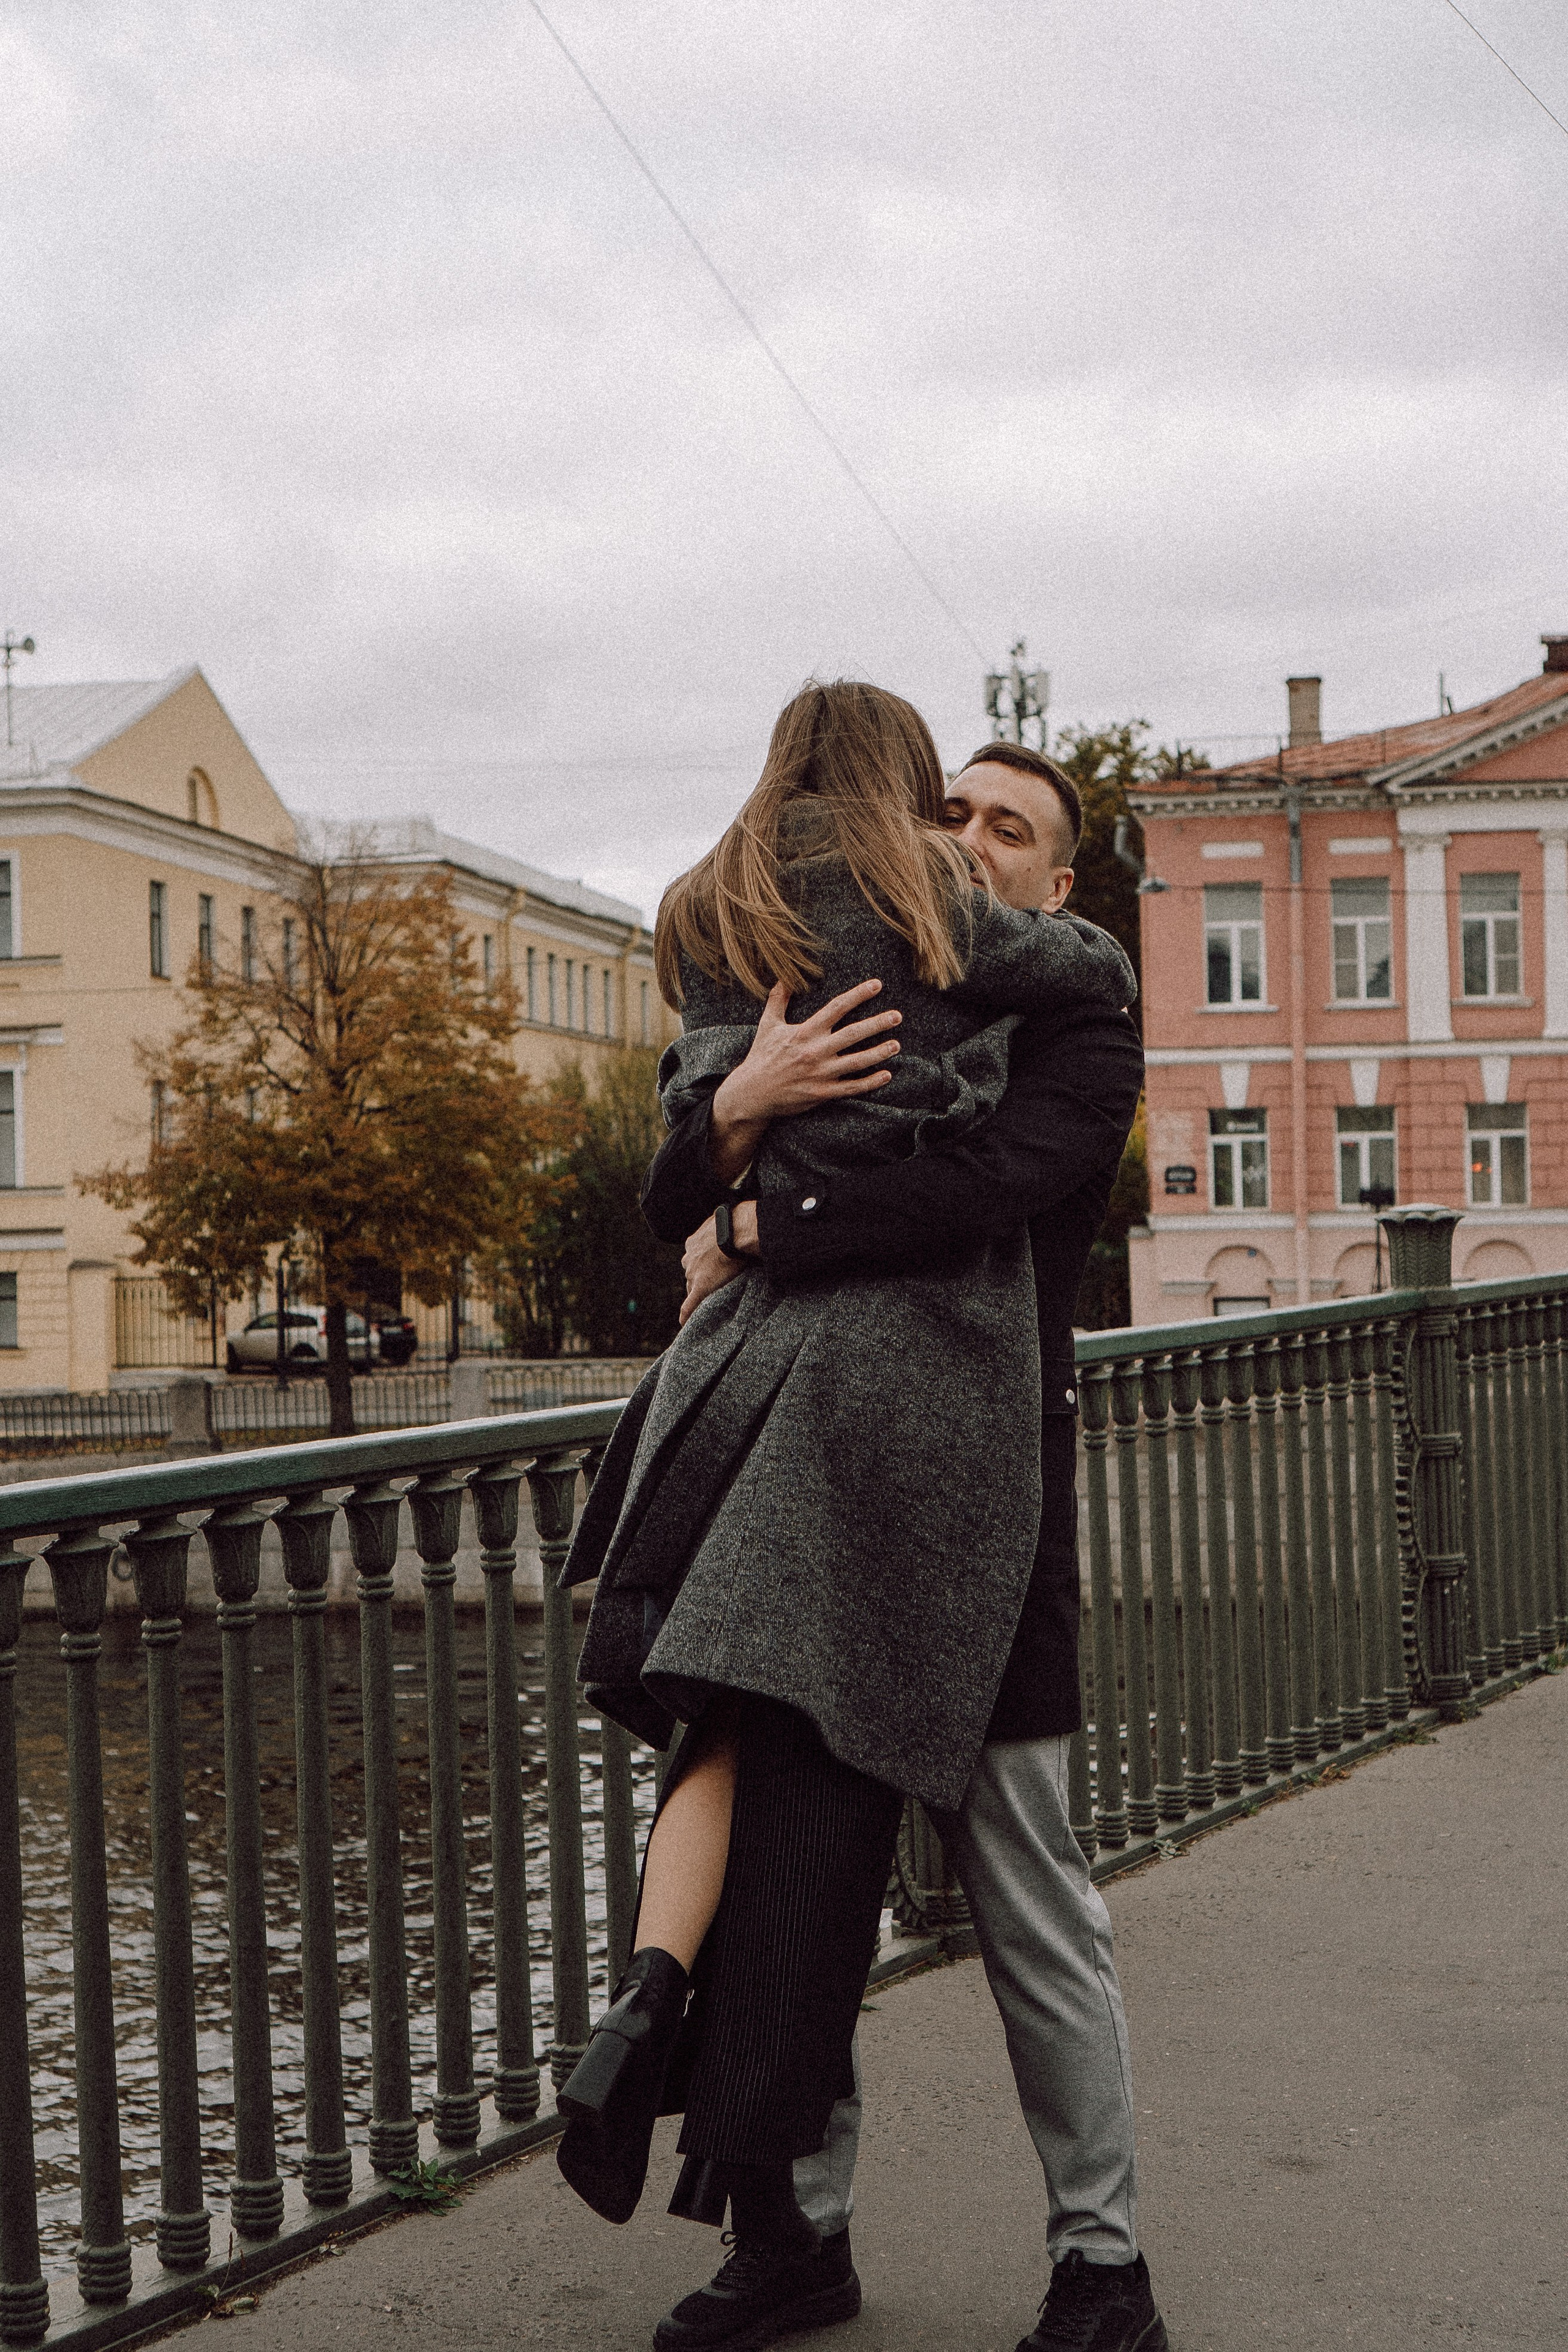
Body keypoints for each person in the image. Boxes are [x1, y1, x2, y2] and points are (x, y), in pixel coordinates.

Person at [551, 684, 1138, 2351]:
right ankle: (793, 2239)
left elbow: (970, 1192)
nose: (960, 839)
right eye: (946, 810)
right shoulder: (877, 971)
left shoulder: (1075, 1029)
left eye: (1002, 828)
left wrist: (755, 1217)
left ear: (1052, 882)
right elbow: (665, 1182)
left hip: (987, 1519)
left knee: (1030, 1899)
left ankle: (1107, 2264)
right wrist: (735, 1118)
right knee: (799, 1874)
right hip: (805, 1482)